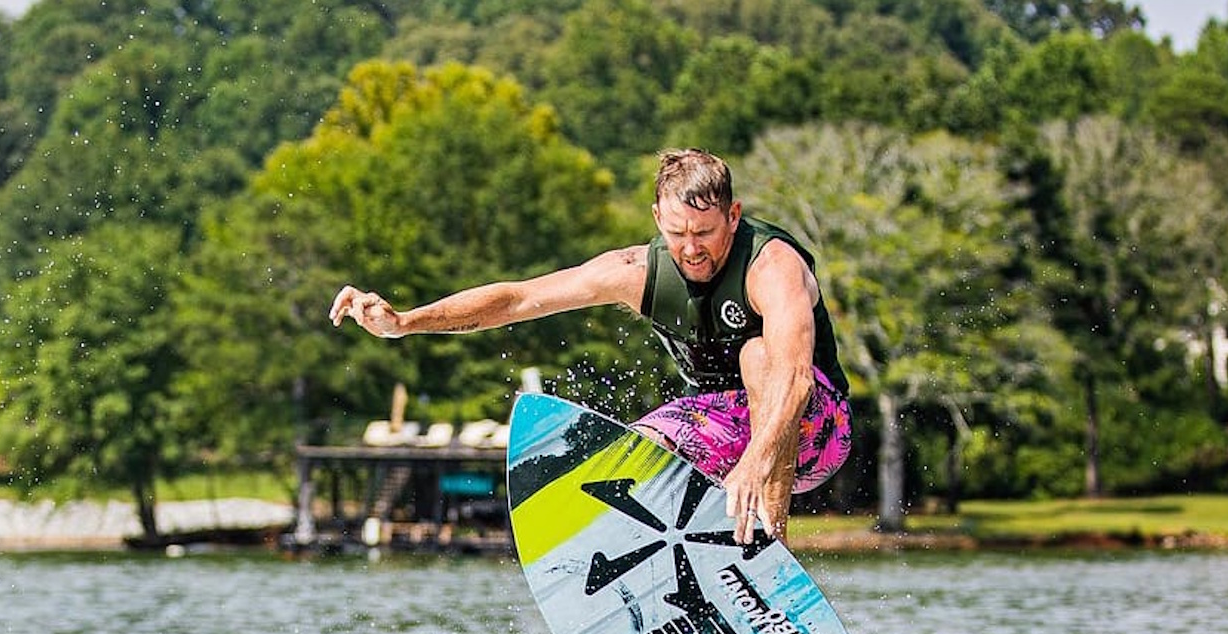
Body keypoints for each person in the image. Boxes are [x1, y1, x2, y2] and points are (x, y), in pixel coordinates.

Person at [328, 148, 851, 545]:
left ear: (733, 216)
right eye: (677, 233)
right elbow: (517, 299)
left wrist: (757, 461)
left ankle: (769, 552)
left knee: (757, 356)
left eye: (705, 233)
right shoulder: (634, 270)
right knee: (630, 457)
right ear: (657, 218)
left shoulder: (772, 266)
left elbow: (794, 379)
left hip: (815, 431)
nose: (691, 249)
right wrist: (406, 322)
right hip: (721, 426)